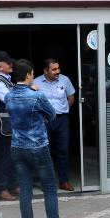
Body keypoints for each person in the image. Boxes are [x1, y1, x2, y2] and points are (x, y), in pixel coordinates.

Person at [4, 59, 78, 218]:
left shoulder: (9, 96)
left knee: (25, 190)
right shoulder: (36, 96)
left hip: (17, 147)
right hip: (38, 146)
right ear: (29, 75)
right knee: (50, 188)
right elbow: (52, 115)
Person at [34, 59, 76, 192]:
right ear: (46, 71)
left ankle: (64, 181)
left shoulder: (65, 80)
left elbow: (71, 98)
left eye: (58, 68)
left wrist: (62, 110)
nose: (57, 71)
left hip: (62, 120)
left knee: (62, 150)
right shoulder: (36, 82)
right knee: (45, 151)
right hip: (44, 121)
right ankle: (46, 182)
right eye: (54, 69)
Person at [0, 51, 19, 201]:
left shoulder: (8, 81)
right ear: (0, 66)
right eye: (8, 63)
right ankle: (1, 189)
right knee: (4, 158)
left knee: (12, 157)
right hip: (2, 126)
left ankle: (12, 185)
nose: (11, 64)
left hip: (9, 126)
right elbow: (10, 100)